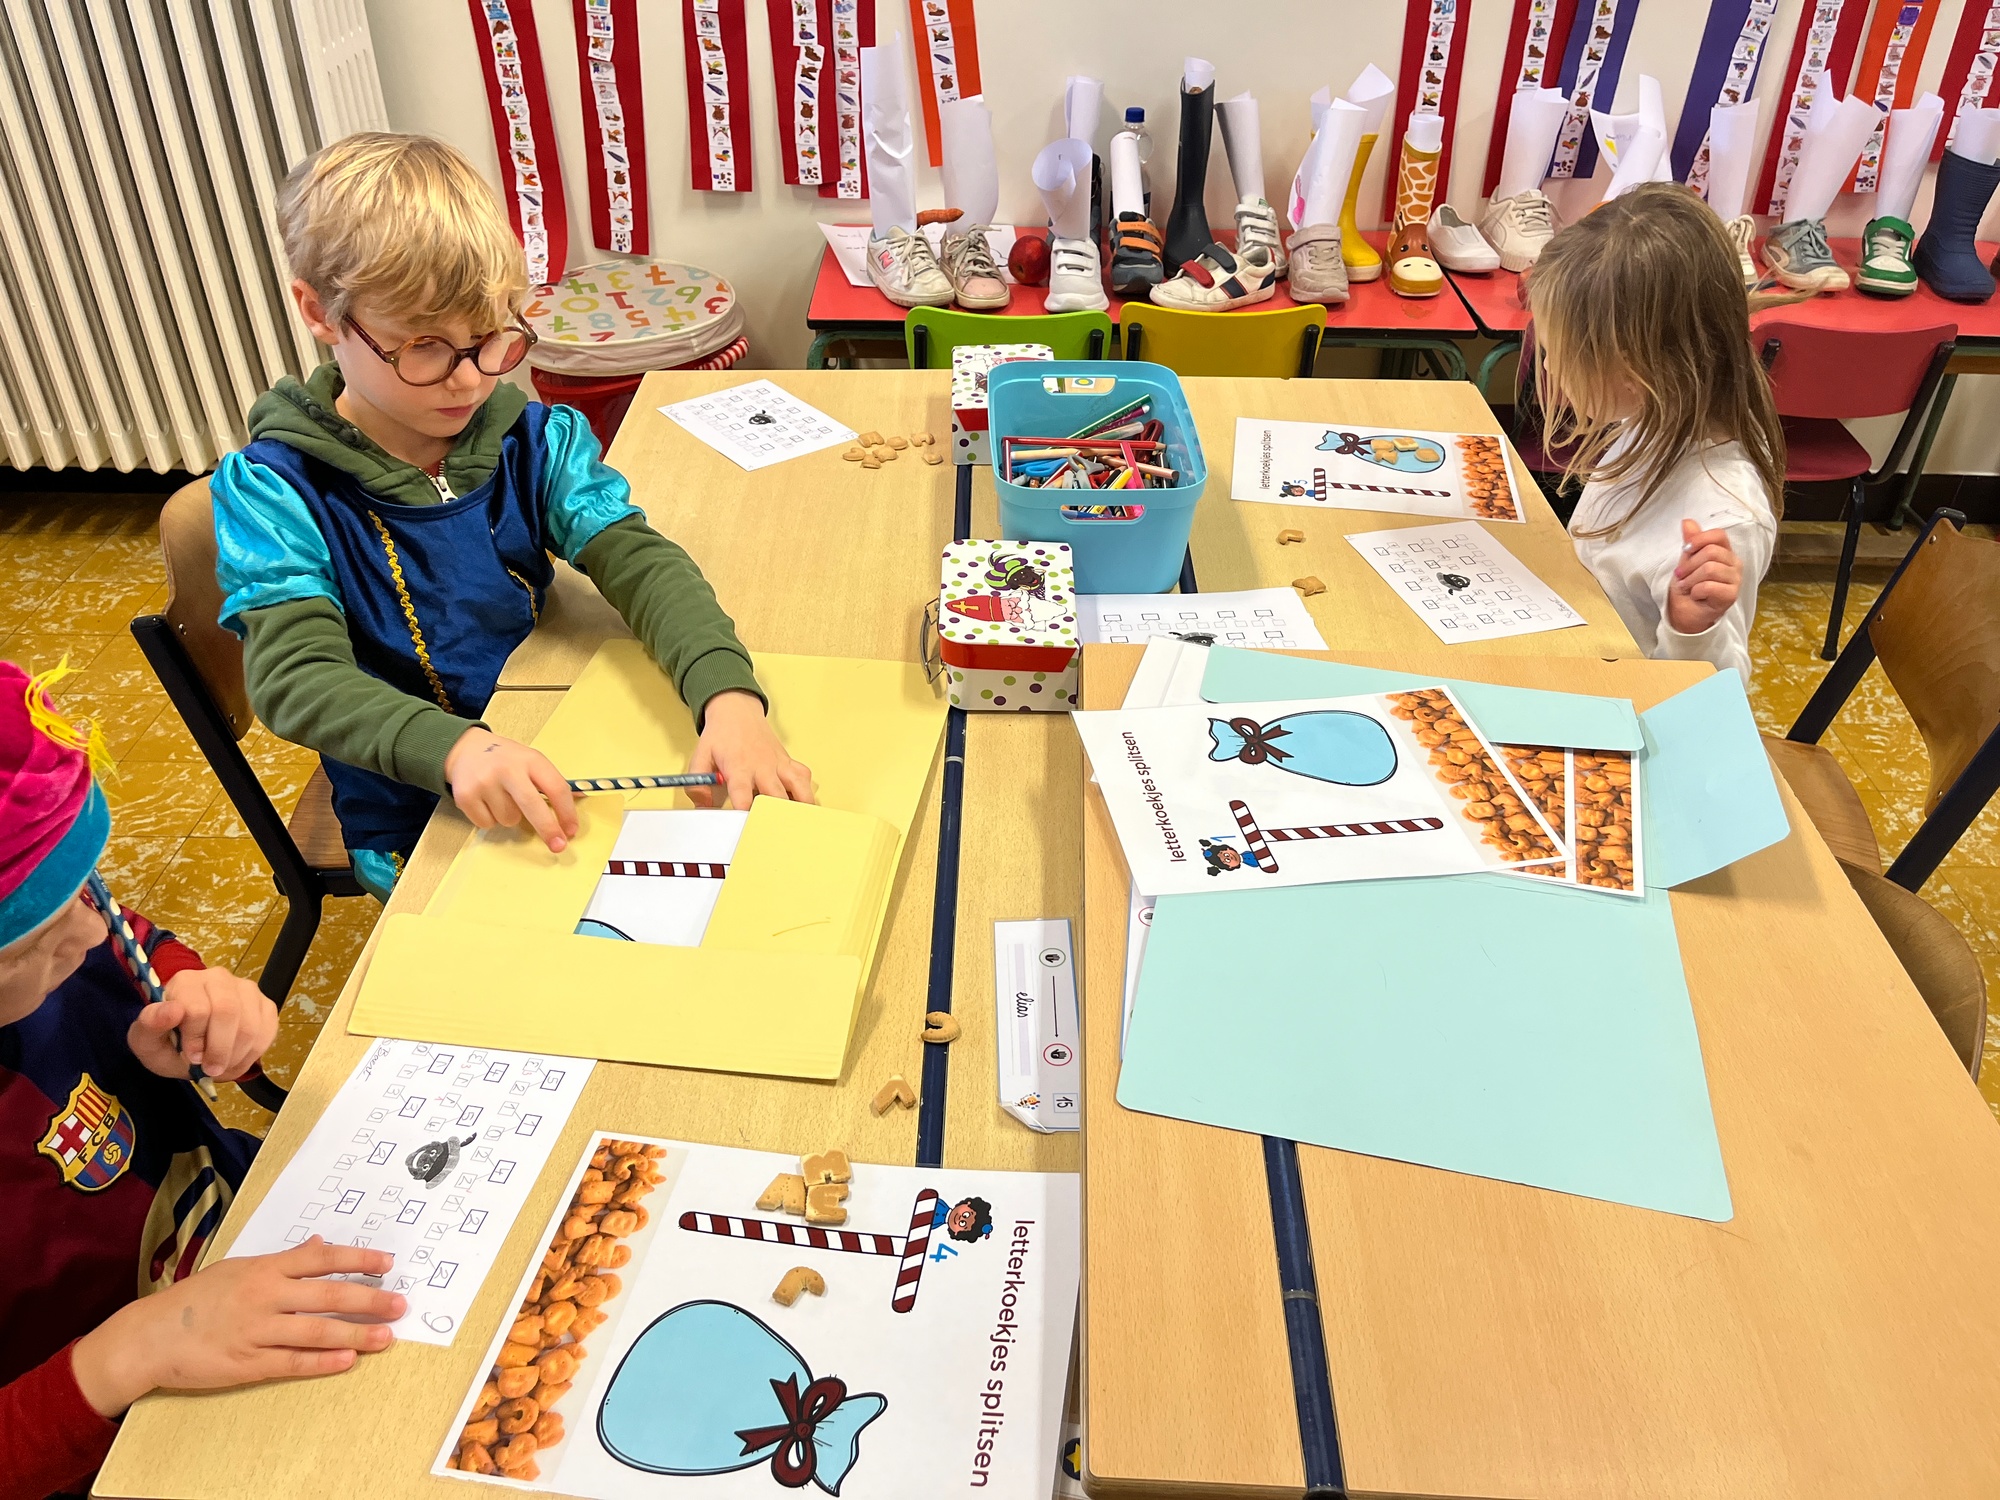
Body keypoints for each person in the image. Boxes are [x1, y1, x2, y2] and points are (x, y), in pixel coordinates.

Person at [211, 133, 812, 899]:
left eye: (491, 337)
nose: (469, 381)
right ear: (318, 312)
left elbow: (641, 560)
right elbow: (295, 678)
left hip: (558, 735)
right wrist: (458, 750)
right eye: (424, 348)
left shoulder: (531, 440)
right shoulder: (275, 492)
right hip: (413, 808)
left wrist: (729, 699)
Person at [0, 661, 403, 1500]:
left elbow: (139, 948)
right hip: (117, 1435)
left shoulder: (68, 920)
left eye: (90, 887)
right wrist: (125, 1355)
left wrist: (206, 1010)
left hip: (242, 1227)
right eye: (34, 943)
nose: (90, 933)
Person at [1525, 183, 1784, 681]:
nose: (1550, 367)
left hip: (1625, 699)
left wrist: (1693, 630)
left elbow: (1714, 696)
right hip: (1576, 647)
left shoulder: (1725, 519)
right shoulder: (1654, 416)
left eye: (1559, 352)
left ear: (1634, 370)